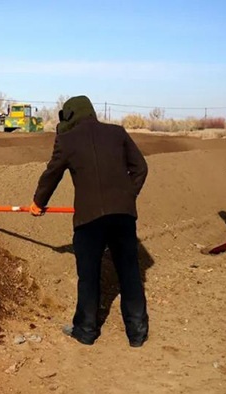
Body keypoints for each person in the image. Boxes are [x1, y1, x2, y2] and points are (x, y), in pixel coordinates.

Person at [31, 95, 149, 347]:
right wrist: (128, 195)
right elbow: (140, 167)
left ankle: (85, 331)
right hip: (123, 216)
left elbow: (52, 173)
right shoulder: (117, 133)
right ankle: (137, 333)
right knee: (129, 273)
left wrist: (38, 203)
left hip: (89, 220)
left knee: (89, 276)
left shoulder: (67, 140)